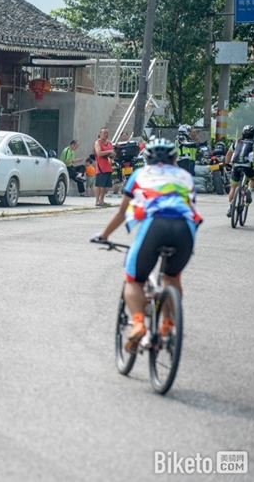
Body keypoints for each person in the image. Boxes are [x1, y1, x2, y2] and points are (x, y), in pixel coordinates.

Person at [93, 138, 202, 352]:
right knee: (172, 277)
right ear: (174, 158)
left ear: (147, 158)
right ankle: (168, 325)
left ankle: (139, 324)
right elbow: (190, 208)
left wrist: (104, 235)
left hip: (155, 226)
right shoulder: (186, 177)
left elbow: (123, 212)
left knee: (134, 280)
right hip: (185, 231)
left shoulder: (140, 174)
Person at [226, 124, 254, 217]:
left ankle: (230, 207)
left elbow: (228, 154)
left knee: (233, 187)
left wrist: (227, 164)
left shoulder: (236, 142)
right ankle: (249, 190)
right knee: (253, 179)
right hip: (248, 165)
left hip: (236, 165)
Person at [94, 127, 114, 207]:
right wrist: (109, 151)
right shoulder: (97, 142)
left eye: (107, 133)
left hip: (108, 166)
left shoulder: (109, 143)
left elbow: (112, 153)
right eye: (104, 133)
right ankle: (97, 200)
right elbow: (99, 153)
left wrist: (112, 155)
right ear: (100, 134)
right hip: (100, 167)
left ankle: (102, 200)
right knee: (99, 184)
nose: (106, 135)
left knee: (105, 185)